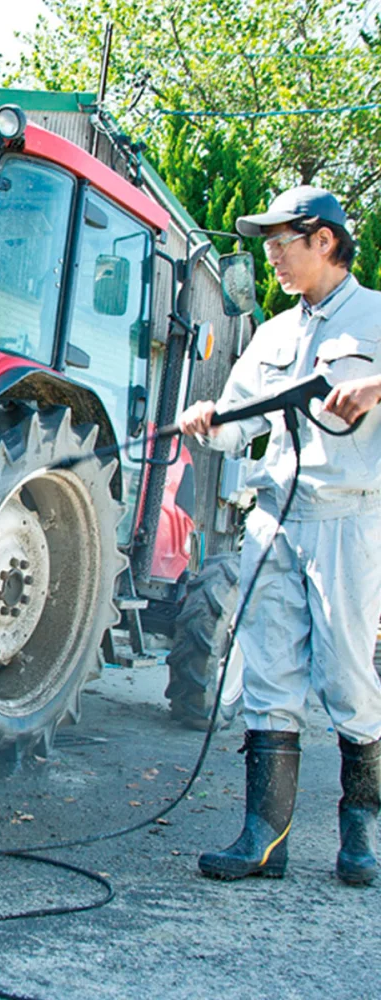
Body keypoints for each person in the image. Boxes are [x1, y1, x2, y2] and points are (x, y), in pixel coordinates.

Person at [179, 185, 381, 885]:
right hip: (275, 517)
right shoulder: (274, 334)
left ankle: (362, 832)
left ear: (324, 239)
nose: (272, 258)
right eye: (267, 246)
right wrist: (210, 420)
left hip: (347, 516)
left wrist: (379, 385)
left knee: (349, 676)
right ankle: (264, 835)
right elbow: (241, 424)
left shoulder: (377, 318)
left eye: (281, 243)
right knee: (268, 672)